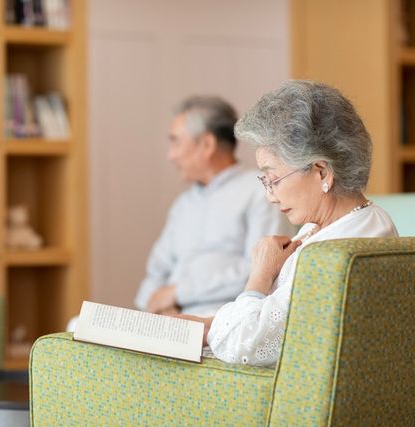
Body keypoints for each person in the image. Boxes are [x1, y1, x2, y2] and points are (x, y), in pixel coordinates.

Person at [180, 81, 398, 367]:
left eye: (274, 179)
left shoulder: (335, 253)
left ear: (322, 172)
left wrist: (259, 276)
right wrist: (209, 325)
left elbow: (245, 346)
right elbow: (275, 320)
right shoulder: (354, 224)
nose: (270, 196)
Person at [134, 96, 294, 317]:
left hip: (222, 317)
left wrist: (179, 293)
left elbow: (263, 268)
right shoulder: (183, 205)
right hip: (167, 317)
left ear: (207, 144)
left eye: (176, 142)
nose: (171, 155)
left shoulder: (261, 191)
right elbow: (155, 272)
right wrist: (158, 304)